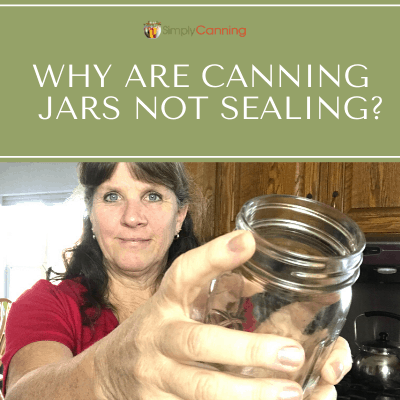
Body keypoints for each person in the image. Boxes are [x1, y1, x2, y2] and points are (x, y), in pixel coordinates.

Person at [2, 162, 352, 400]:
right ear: (91, 216)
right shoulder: (46, 304)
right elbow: (24, 393)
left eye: (153, 195)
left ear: (180, 214)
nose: (133, 217)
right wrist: (109, 375)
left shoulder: (232, 303)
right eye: (111, 196)